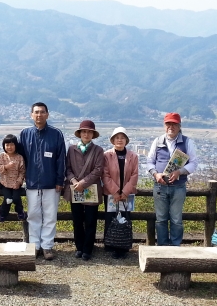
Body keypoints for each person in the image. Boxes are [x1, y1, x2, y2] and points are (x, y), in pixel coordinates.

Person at [19, 102, 66, 260]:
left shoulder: (56, 134)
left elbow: (61, 159)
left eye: (42, 112)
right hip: (32, 182)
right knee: (33, 215)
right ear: (31, 115)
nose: (39, 115)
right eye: (36, 112)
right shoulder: (25, 134)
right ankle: (35, 246)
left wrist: (59, 180)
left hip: (51, 182)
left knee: (50, 216)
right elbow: (21, 158)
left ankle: (47, 246)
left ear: (47, 114)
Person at [146, 113, 198, 246]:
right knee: (160, 218)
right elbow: (150, 162)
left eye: (174, 124)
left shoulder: (187, 142)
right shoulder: (157, 141)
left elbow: (193, 163)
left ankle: (175, 246)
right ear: (164, 126)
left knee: (176, 219)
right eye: (168, 124)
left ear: (179, 126)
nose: (171, 127)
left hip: (178, 186)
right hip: (160, 186)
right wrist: (155, 174)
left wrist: (180, 172)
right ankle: (162, 245)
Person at [63, 120, 105, 261]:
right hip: (75, 188)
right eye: (84, 132)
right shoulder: (72, 149)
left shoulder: (98, 150)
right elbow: (67, 168)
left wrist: (82, 183)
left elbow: (98, 170)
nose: (86, 134)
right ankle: (79, 247)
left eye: (89, 132)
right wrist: (74, 181)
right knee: (77, 219)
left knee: (91, 220)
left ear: (93, 134)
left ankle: (88, 249)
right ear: (80, 133)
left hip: (91, 189)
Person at [102, 126, 139, 258]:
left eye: (122, 138)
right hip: (110, 194)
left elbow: (135, 175)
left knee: (125, 219)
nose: (119, 140)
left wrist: (125, 193)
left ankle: (123, 246)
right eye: (117, 138)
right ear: (112, 140)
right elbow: (105, 175)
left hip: (127, 195)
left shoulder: (133, 156)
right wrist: (115, 192)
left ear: (126, 140)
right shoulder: (106, 155)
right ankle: (110, 245)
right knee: (110, 218)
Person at [0, 134, 26, 222]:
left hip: (16, 184)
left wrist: (19, 182)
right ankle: (2, 212)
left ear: (16, 145)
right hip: (5, 183)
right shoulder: (1, 156)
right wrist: (6, 166)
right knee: (8, 199)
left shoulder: (19, 157)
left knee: (16, 199)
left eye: (12, 144)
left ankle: (19, 211)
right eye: (7, 145)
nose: (9, 147)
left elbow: (22, 171)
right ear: (4, 146)